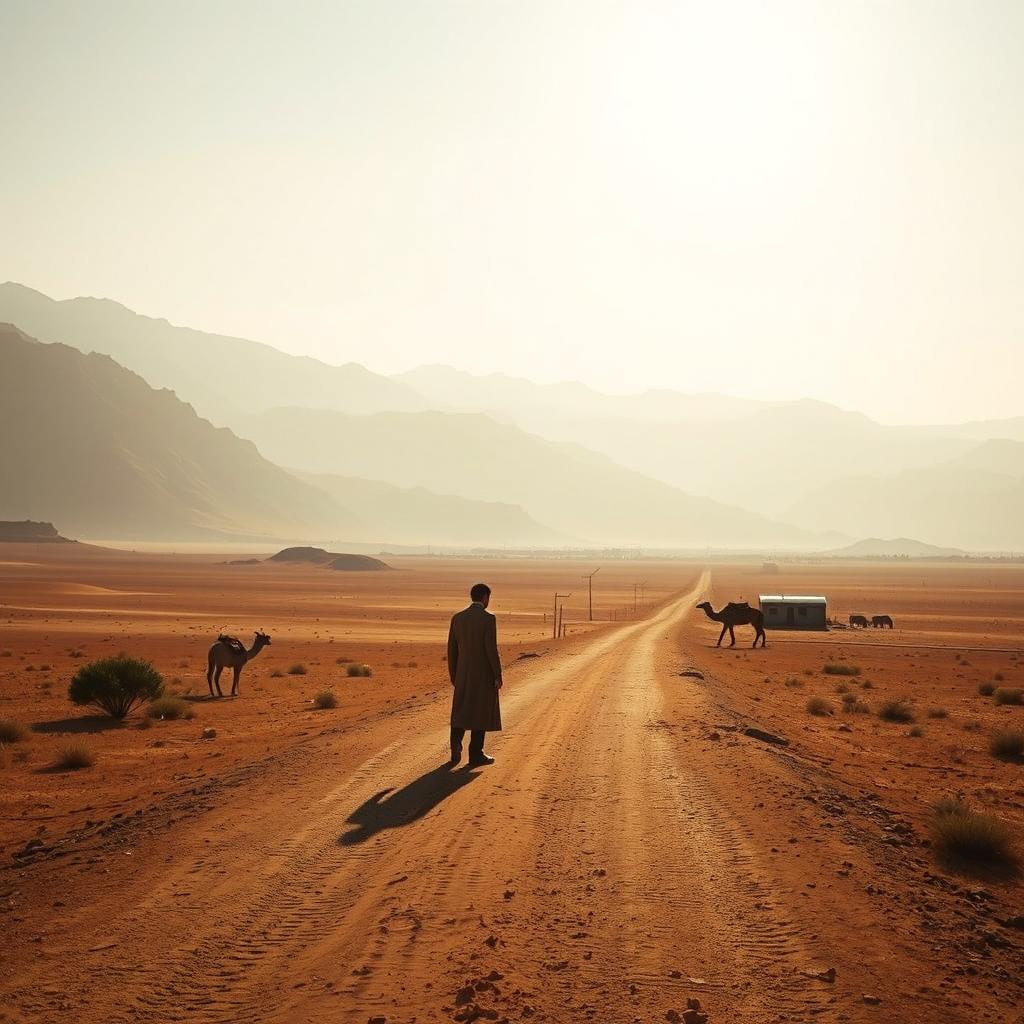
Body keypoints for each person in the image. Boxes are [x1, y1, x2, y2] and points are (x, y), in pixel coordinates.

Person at [447, 582, 502, 767]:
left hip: (462, 674)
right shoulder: (488, 619)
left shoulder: (458, 618)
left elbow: (452, 650)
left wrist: (454, 675)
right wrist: (497, 674)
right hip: (483, 674)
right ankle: (475, 754)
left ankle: (455, 746)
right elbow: (491, 649)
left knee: (461, 710)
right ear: (485, 598)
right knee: (480, 711)